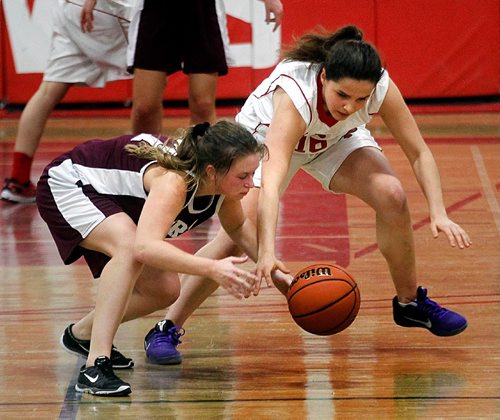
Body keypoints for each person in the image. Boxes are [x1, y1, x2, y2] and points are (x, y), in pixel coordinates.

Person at [144, 25, 472, 365]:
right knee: (236, 237)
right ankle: (167, 326)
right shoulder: (295, 94)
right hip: (262, 144)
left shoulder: (379, 86)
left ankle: (410, 304)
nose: (351, 106)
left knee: (392, 194)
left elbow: (418, 152)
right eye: (342, 95)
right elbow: (271, 182)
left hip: (332, 142)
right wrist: (266, 253)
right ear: (325, 76)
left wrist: (438, 211)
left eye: (361, 99)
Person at [36, 120, 269, 396]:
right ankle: (95, 367)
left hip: (110, 198)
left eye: (253, 174)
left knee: (164, 290)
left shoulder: (221, 188)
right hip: (69, 182)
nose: (250, 184)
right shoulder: (174, 182)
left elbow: (239, 228)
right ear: (212, 171)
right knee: (129, 248)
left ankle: (82, 334)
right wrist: (212, 268)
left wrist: (276, 270)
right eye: (243, 176)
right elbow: (145, 247)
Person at [1, 0, 133, 204]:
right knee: (151, 77)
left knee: (48, 91)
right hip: (106, 7)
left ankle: (19, 178)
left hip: (70, 7)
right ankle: (145, 177)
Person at [127, 0, 284, 134]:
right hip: (155, 8)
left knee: (203, 105)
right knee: (144, 108)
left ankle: (200, 165)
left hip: (202, 8)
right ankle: (143, 163)